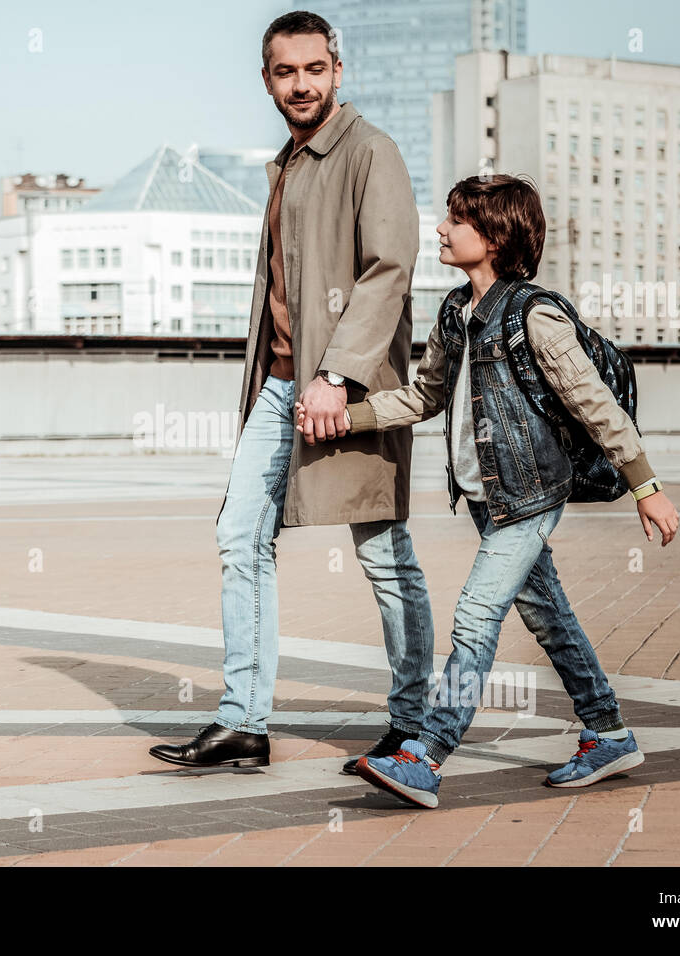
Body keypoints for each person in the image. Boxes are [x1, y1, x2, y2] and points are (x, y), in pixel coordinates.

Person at [297, 173, 680, 807]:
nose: (442, 230)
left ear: (496, 235)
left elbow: (597, 406)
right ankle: (609, 732)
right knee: (549, 617)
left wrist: (648, 488)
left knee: (476, 615)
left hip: (530, 498)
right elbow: (425, 397)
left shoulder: (536, 315)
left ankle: (427, 753)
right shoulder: (454, 311)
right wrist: (349, 417)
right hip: (485, 497)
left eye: (457, 220)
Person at [149, 10, 435, 770]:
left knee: (381, 548)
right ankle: (244, 720)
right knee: (240, 536)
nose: (301, 84)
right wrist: (296, 380)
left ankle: (414, 721)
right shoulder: (287, 164)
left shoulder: (372, 151)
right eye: (286, 71)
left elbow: (390, 269)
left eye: (315, 69)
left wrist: (336, 375)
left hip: (352, 389)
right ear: (268, 79)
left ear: (338, 71)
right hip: (278, 389)